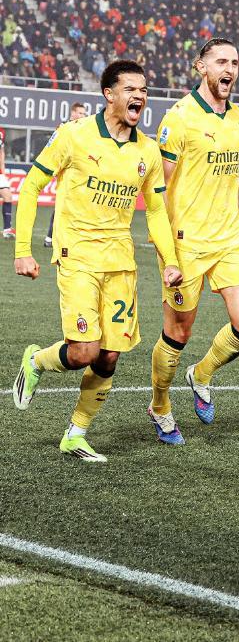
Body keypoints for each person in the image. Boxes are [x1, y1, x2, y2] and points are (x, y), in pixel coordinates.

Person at [13, 60, 182, 462]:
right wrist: (22, 250)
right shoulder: (74, 135)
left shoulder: (147, 151)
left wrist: (170, 260)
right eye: (131, 89)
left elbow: (156, 210)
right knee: (84, 352)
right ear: (109, 94)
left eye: (144, 90)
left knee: (109, 356)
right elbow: (31, 186)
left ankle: (76, 434)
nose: (140, 96)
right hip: (77, 256)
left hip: (120, 262)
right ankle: (37, 361)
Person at [150, 38, 239, 444]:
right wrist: (167, 252)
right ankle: (159, 406)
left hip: (229, 238)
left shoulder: (238, 117)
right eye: (221, 61)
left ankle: (201, 374)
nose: (230, 69)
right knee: (178, 335)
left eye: (235, 62)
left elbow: (228, 178)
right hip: (186, 244)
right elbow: (158, 190)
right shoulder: (179, 119)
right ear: (200, 67)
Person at [44, 101, 88, 248]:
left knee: (78, 205)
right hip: (66, 171)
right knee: (62, 205)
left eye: (84, 113)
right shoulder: (63, 127)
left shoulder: (85, 129)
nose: (83, 116)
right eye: (80, 113)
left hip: (80, 171)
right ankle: (50, 237)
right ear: (73, 113)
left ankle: (68, 238)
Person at [0, 126, 15, 238]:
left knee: (8, 196)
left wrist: (3, 173)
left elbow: (1, 153)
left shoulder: (1, 131)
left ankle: (7, 230)